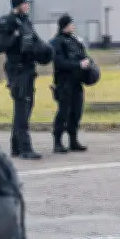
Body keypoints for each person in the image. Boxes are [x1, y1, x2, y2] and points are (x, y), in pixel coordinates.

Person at [0, 0, 44, 159]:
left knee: (26, 107)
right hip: (16, 70)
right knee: (22, 106)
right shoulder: (6, 21)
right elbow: (0, 46)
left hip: (29, 69)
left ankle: (16, 146)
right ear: (17, 4)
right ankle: (25, 148)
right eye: (25, 3)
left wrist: (45, 52)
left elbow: (36, 42)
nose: (27, 5)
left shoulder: (26, 21)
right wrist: (15, 35)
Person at [49, 14, 91, 154]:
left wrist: (88, 63)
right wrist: (78, 64)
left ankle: (73, 141)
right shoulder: (56, 42)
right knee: (63, 112)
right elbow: (60, 63)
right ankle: (58, 142)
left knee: (76, 112)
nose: (73, 26)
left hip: (76, 82)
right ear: (64, 25)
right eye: (71, 24)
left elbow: (84, 55)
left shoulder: (75, 40)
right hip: (64, 83)